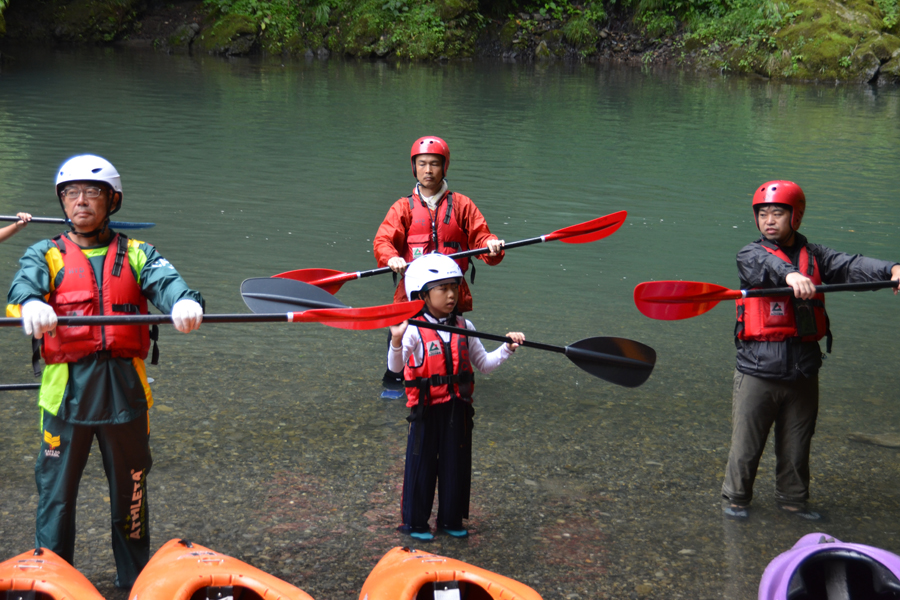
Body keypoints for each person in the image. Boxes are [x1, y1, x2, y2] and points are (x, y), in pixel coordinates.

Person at [6, 155, 205, 589]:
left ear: (111, 201)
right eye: (71, 194)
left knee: (131, 497)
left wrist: (185, 303)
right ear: (62, 202)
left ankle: (134, 582)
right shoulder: (46, 253)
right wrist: (34, 304)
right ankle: (53, 585)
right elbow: (22, 287)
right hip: (65, 398)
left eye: (92, 193)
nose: (81, 202)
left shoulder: (137, 253)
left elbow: (168, 284)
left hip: (125, 398)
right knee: (56, 500)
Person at [721, 180, 900, 521]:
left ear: (796, 217)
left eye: (777, 212)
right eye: (762, 213)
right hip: (757, 369)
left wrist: (892, 269)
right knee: (746, 447)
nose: (768, 220)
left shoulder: (817, 256)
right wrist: (790, 276)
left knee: (797, 445)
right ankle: (736, 501)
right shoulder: (750, 253)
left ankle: (792, 502)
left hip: (803, 369)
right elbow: (766, 268)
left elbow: (853, 265)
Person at [387, 253, 524, 540]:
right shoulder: (412, 329)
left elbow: (484, 365)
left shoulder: (465, 327)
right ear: (423, 293)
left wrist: (507, 348)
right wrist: (397, 341)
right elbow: (395, 369)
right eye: (443, 288)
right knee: (422, 465)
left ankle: (450, 519)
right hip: (425, 411)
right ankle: (415, 523)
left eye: (454, 287)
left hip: (458, 409)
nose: (451, 295)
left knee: (455, 466)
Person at [374, 136, 505, 396]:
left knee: (450, 339)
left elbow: (481, 236)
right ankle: (395, 380)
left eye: (434, 164)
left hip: (449, 290)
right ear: (414, 167)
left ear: (444, 167)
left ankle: (446, 384)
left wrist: (491, 245)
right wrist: (391, 257)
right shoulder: (403, 207)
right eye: (422, 164)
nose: (428, 170)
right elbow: (383, 240)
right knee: (400, 335)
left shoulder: (462, 205)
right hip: (413, 291)